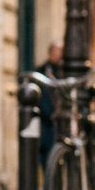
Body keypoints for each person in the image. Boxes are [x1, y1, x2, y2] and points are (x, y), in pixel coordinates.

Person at [36, 40, 63, 168]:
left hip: (59, 117)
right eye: (58, 50)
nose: (60, 54)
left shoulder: (63, 70)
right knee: (45, 149)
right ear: (50, 52)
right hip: (47, 117)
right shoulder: (42, 71)